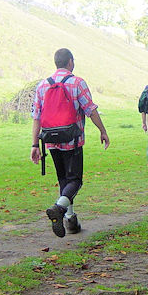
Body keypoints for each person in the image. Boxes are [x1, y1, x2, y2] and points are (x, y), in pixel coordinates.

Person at [30, 48, 110, 238]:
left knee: (64, 180)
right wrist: (103, 131)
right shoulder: (77, 82)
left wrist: (34, 145)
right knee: (75, 181)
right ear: (70, 62)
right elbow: (90, 110)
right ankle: (59, 208)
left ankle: (71, 220)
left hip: (50, 140)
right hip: (73, 140)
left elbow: (36, 117)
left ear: (56, 62)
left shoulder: (42, 85)